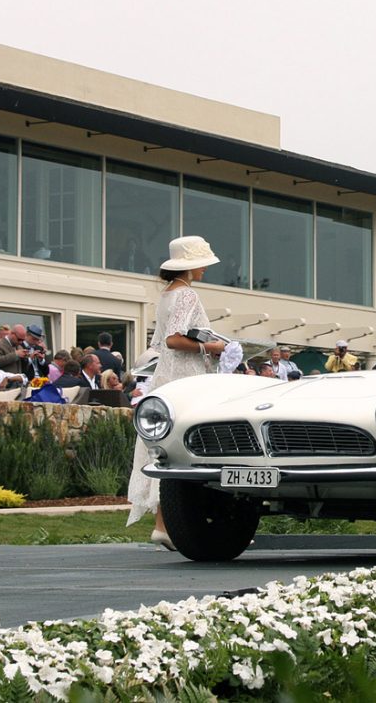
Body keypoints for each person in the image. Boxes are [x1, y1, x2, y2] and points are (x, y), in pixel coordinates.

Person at [129, 236, 230, 550]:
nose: (204, 269)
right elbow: (173, 340)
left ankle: (164, 524)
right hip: (186, 375)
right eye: (202, 264)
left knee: (166, 447)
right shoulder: (186, 295)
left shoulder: (166, 295)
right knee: (191, 445)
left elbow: (159, 344)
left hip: (166, 375)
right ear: (192, 265)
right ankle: (173, 524)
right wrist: (211, 347)